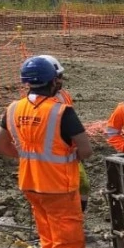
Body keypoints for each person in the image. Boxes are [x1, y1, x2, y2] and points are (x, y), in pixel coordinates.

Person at [0, 56, 106, 248]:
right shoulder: (61, 111)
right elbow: (86, 151)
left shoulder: (12, 109)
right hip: (59, 188)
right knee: (67, 244)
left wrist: (28, 157)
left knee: (49, 240)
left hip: (31, 185)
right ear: (53, 81)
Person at [35, 54, 89, 213]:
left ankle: (78, 216)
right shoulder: (36, 102)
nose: (60, 80)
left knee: (83, 185)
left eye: (61, 76)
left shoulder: (64, 96)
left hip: (69, 153)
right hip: (51, 157)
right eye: (58, 77)